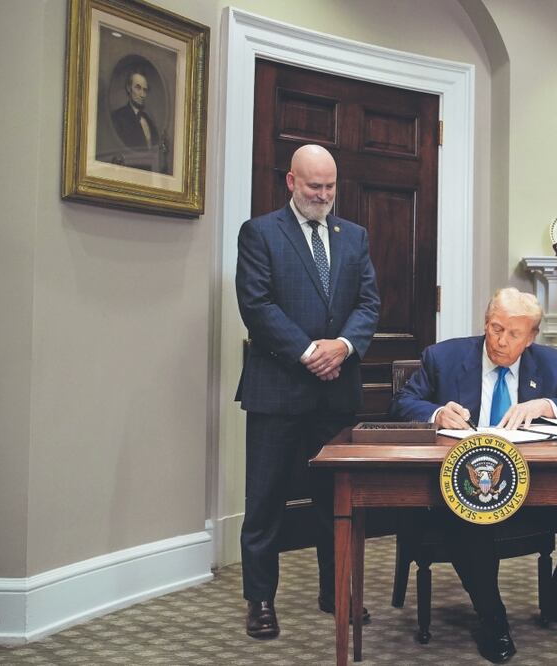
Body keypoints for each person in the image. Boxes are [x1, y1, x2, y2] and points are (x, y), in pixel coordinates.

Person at [392, 288, 557, 664]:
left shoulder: (551, 364)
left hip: (532, 488)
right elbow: (402, 403)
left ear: (531, 338)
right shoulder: (444, 357)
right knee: (472, 516)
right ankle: (492, 619)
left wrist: (547, 404)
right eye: (495, 329)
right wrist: (438, 412)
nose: (501, 341)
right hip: (464, 488)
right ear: (486, 322)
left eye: (513, 334)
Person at [235, 144, 380, 639]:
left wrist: (341, 346)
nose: (323, 195)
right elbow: (256, 305)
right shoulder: (260, 233)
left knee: (333, 501)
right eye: (314, 185)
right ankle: (259, 602)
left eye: (330, 186)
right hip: (277, 390)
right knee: (266, 501)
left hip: (335, 393)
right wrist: (307, 352)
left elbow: (368, 303)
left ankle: (334, 591)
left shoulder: (354, 236)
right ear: (291, 182)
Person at [110, 70, 158, 149]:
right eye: (138, 88)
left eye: (144, 90)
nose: (142, 95)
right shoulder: (117, 118)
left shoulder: (148, 119)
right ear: (129, 88)